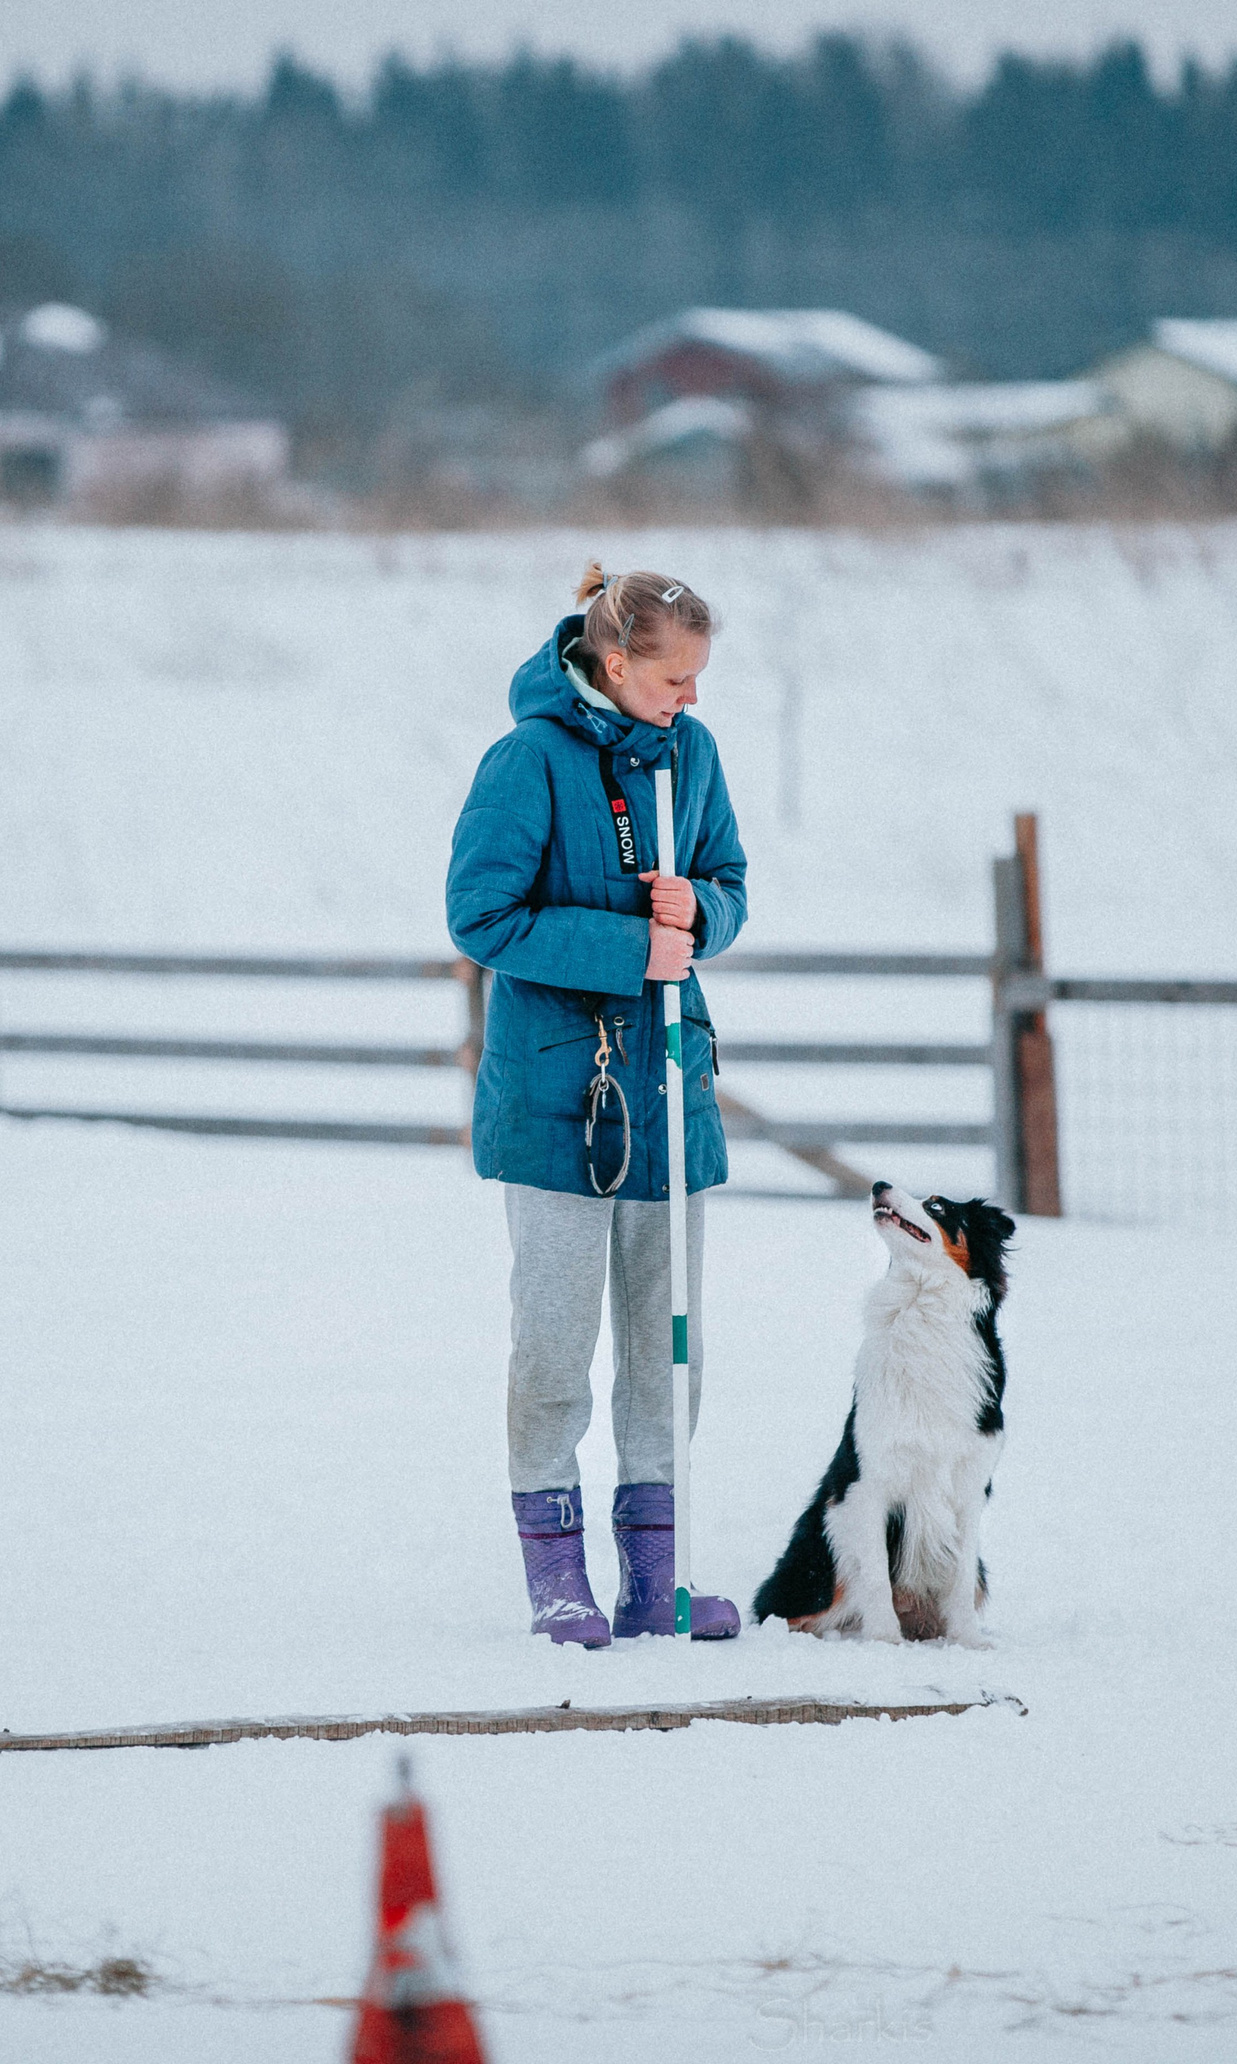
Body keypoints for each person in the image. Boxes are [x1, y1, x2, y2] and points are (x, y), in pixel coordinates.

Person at [446, 563, 746, 1645]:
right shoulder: (524, 762)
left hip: (670, 1092)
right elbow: (481, 918)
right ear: (616, 664)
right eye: (676, 680)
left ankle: (655, 1578)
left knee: (670, 1347)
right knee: (556, 1342)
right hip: (557, 1097)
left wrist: (702, 912)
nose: (694, 700)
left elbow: (731, 885)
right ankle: (557, 1580)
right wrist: (634, 945)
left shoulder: (693, 758)